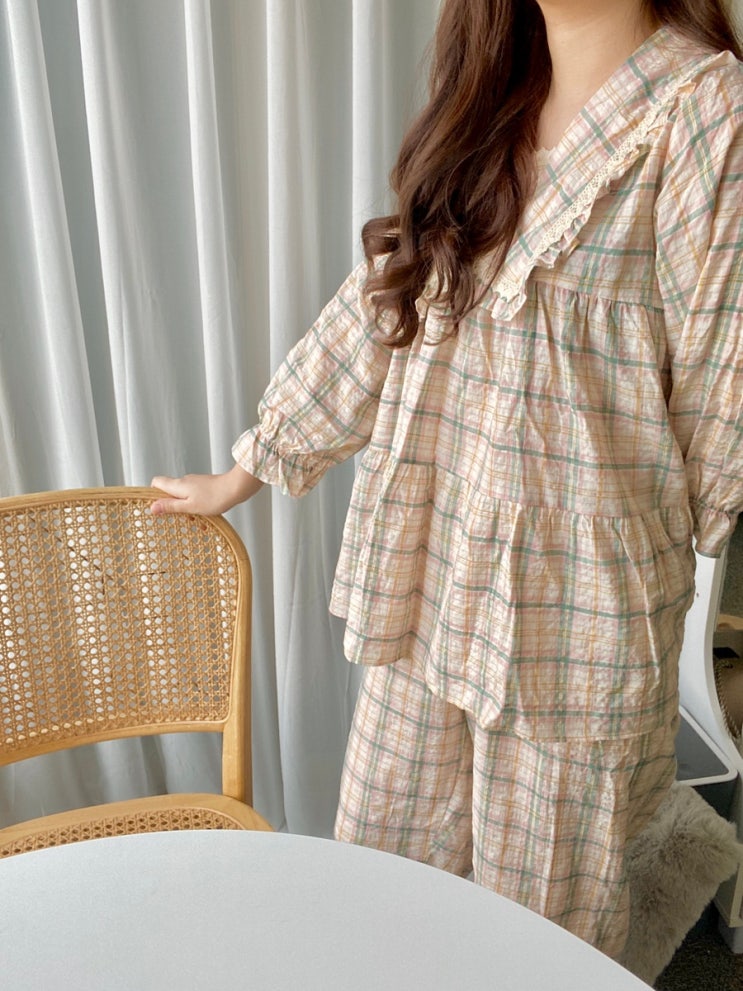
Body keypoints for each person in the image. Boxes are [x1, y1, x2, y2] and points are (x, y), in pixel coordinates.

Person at [151, 0, 743, 961]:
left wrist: (674, 542)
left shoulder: (705, 110)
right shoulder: (489, 105)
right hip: (429, 566)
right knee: (391, 868)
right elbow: (382, 310)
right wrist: (250, 465)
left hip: (574, 601)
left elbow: (722, 377)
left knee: (544, 911)